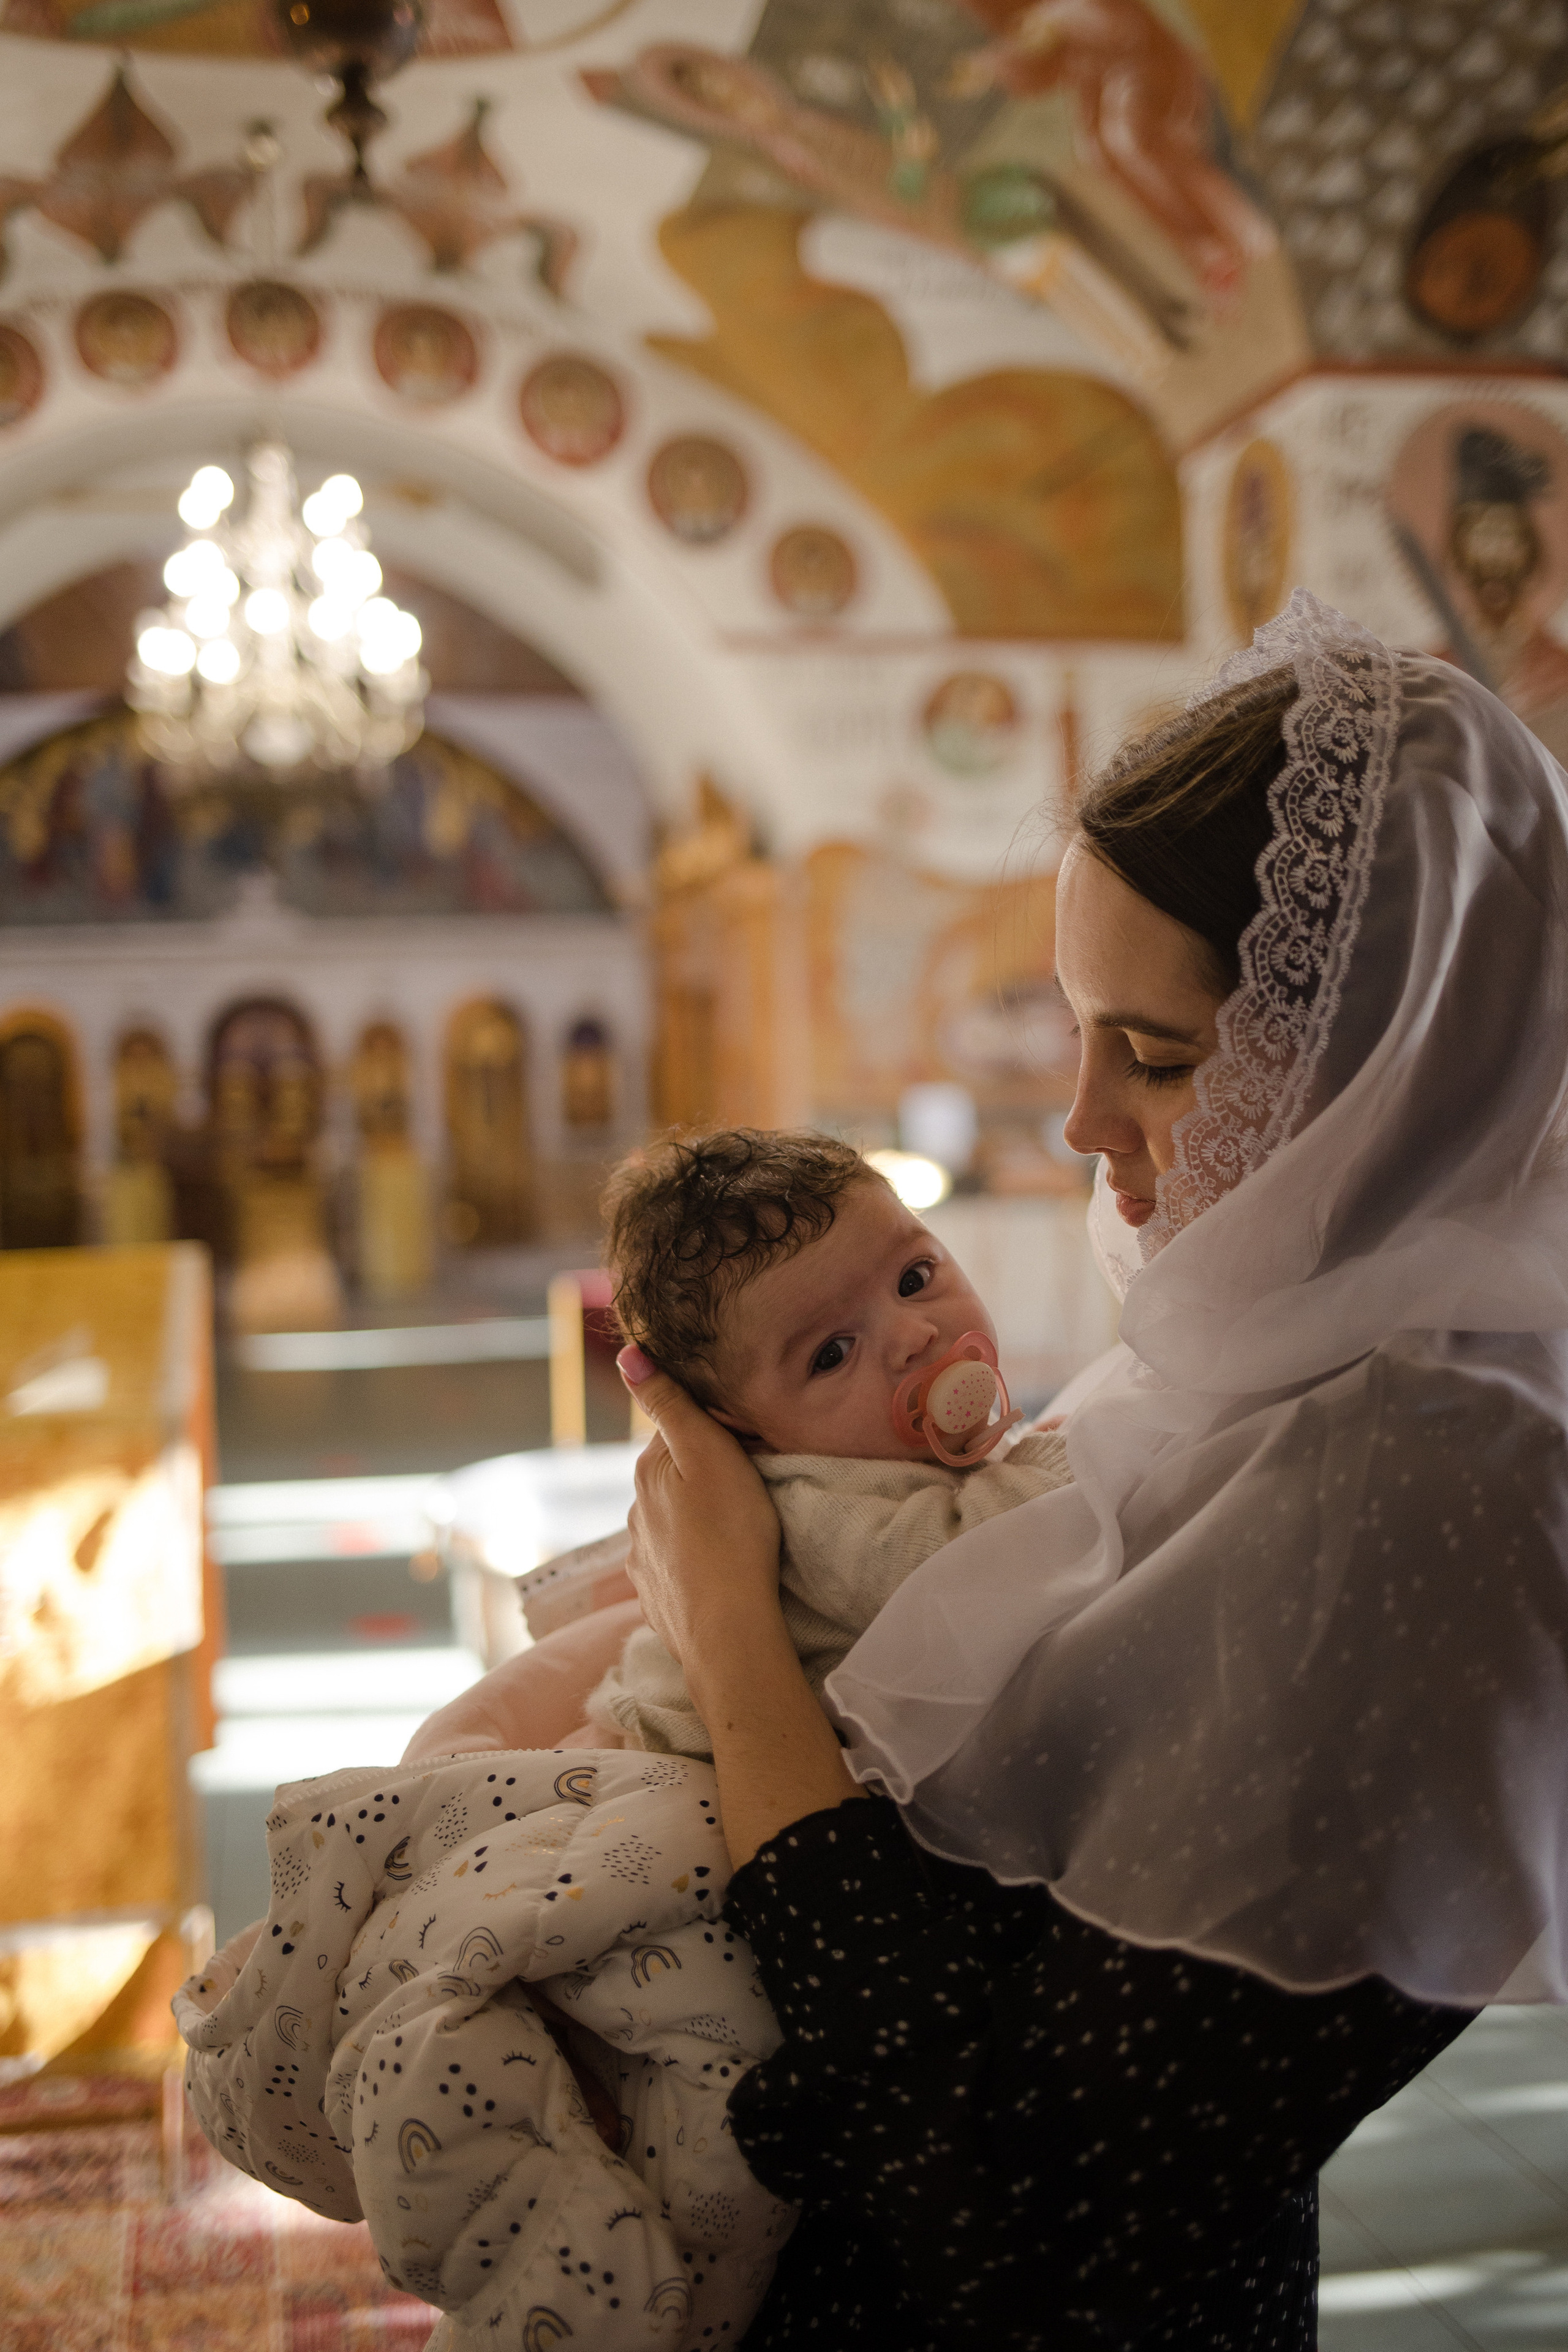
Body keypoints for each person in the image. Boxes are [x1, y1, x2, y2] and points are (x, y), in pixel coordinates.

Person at [599, 592, 1568, 2346]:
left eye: (1161, 1054)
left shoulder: (1426, 1470)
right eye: (1078, 1032)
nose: (1081, 1123)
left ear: (1384, 1059)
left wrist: (732, 1636)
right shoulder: (1283, 1348)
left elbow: (1022, 2210)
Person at [413, 1128, 1070, 1765]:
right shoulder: (811, 1509)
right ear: (740, 1428)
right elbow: (972, 1564)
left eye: (914, 1277)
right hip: (680, 1769)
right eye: (832, 1354)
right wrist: (1056, 1459)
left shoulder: (874, 1459)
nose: (913, 1335)